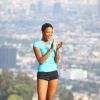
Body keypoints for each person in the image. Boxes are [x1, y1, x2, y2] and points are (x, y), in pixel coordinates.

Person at [33, 23, 63, 100]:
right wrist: (51, 49)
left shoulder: (53, 44)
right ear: (42, 32)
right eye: (48, 32)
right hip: (43, 73)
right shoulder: (37, 44)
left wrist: (57, 49)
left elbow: (56, 60)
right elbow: (41, 61)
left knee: (50, 99)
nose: (50, 34)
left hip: (54, 73)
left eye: (51, 32)